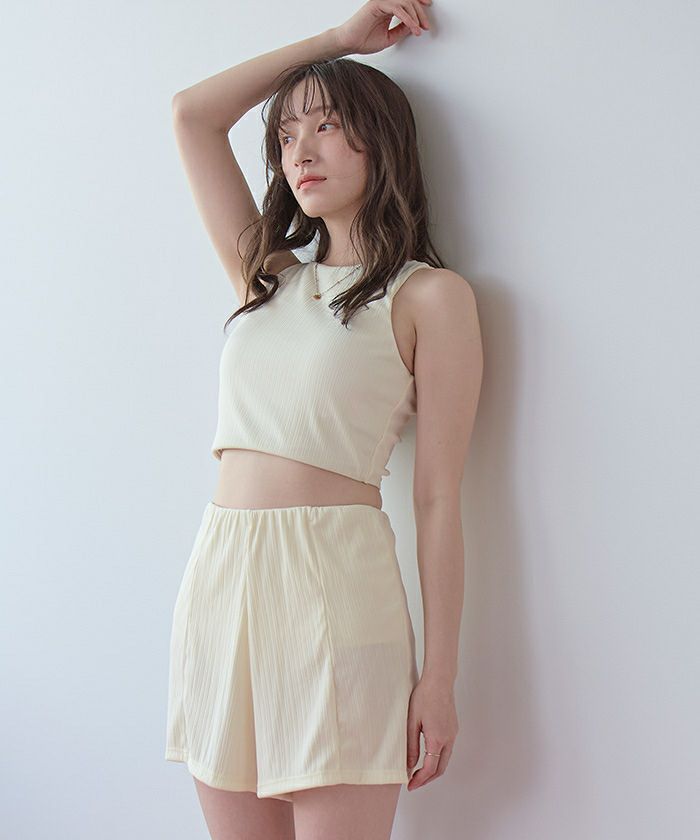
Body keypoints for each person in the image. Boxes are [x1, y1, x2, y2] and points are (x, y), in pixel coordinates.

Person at [165, 1, 483, 838]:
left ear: (382, 142)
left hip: (335, 588)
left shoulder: (429, 297)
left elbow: (438, 499)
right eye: (286, 135)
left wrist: (439, 678)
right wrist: (336, 40)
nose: (299, 151)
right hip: (221, 582)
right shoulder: (267, 278)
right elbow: (192, 116)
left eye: (328, 126)